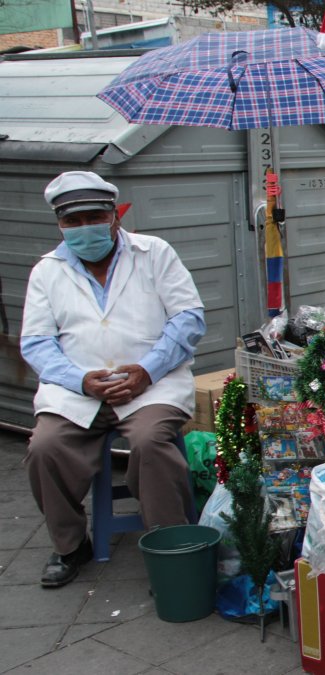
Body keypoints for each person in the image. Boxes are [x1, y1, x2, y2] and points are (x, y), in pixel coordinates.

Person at [21, 171, 206, 588]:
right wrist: (81, 380)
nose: (85, 228)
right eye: (73, 221)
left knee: (150, 442)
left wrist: (147, 370)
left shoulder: (154, 253)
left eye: (94, 216)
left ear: (115, 216)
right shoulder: (47, 271)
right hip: (78, 391)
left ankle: (171, 542)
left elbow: (188, 319)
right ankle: (70, 545)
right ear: (60, 225)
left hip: (151, 385)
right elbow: (36, 343)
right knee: (45, 448)